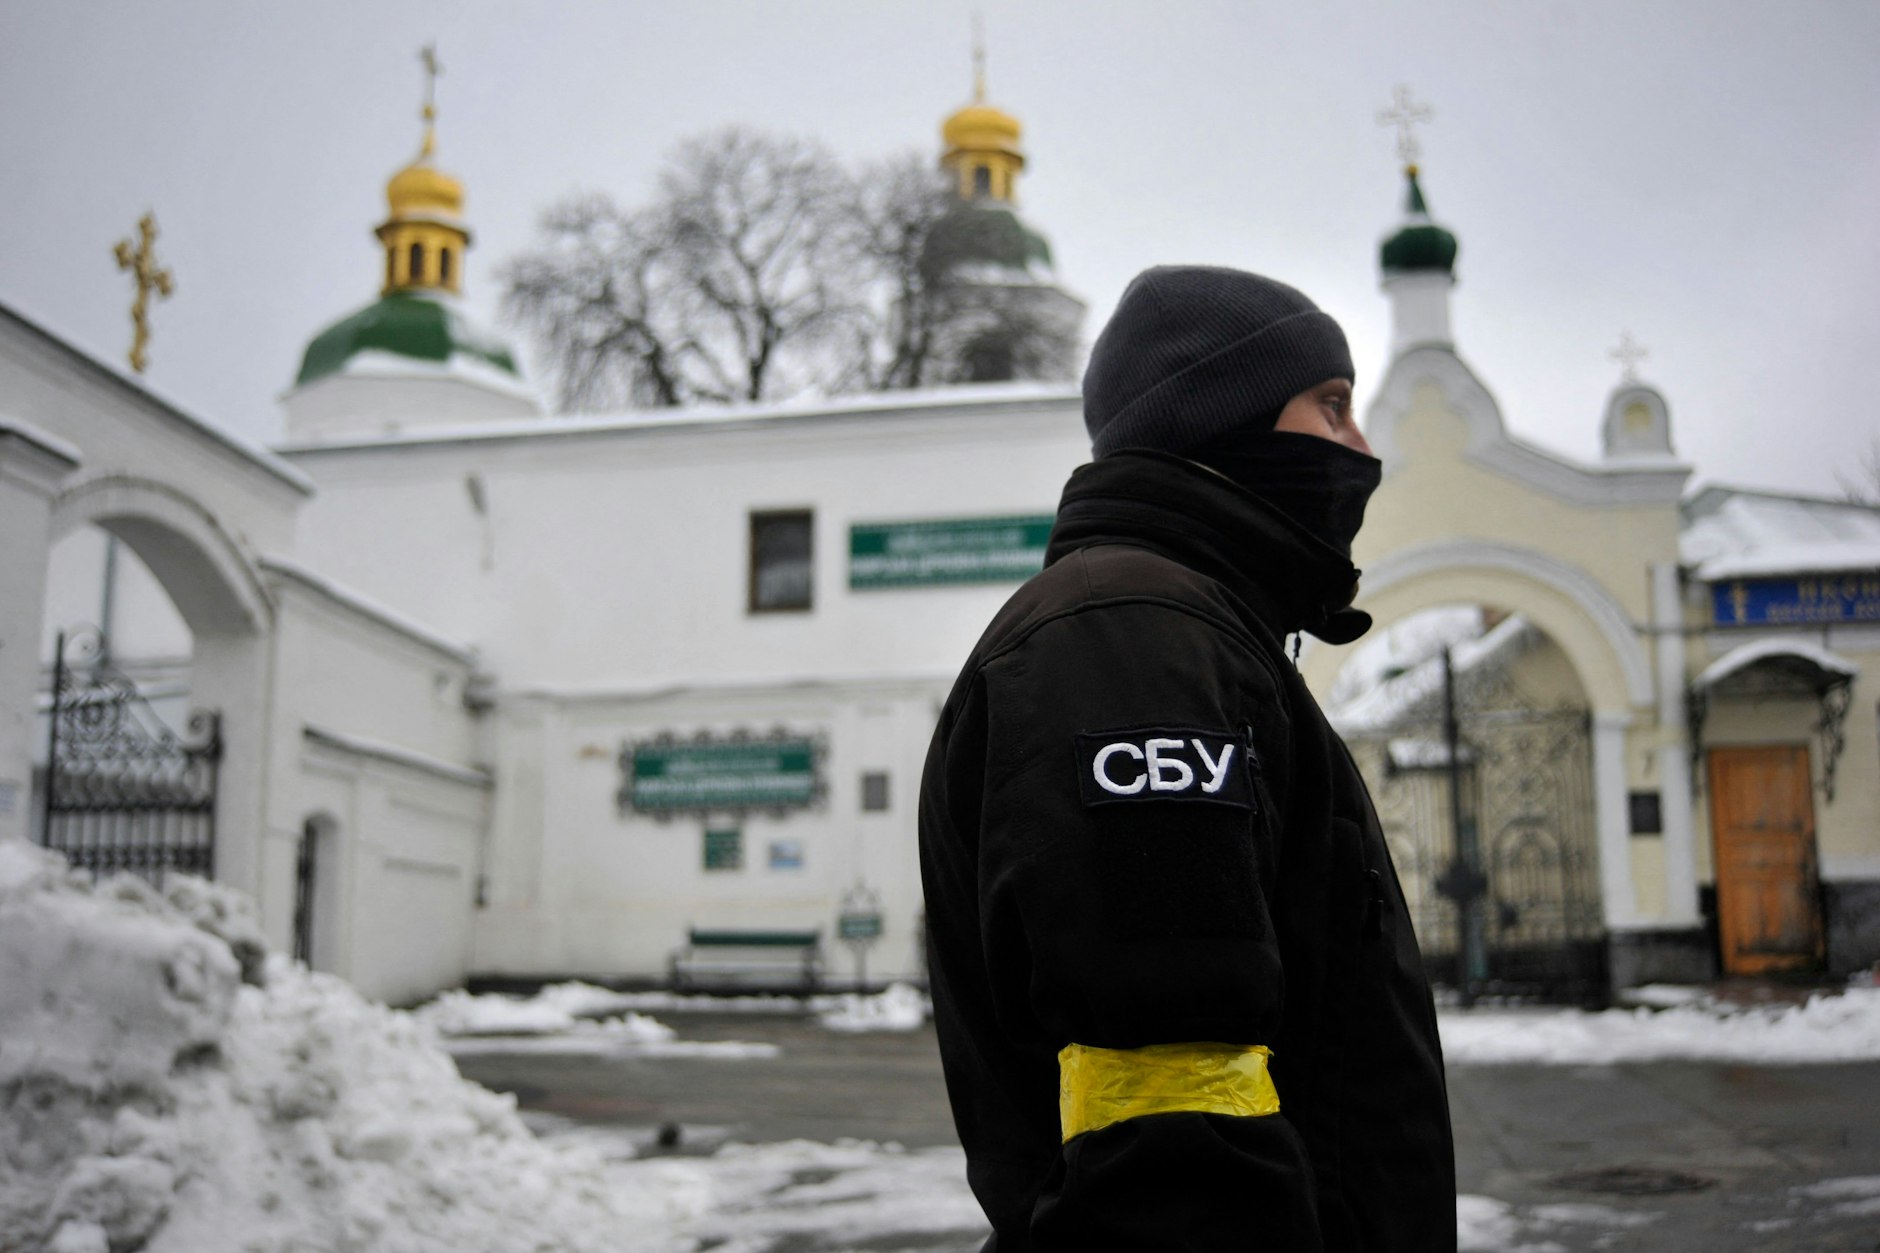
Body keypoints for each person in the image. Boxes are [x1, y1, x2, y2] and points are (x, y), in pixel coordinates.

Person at [917, 265, 1456, 1251]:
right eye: (1331, 405)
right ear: (1221, 411)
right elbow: (1167, 1137)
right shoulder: (1130, 644)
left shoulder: (1187, 633)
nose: (1360, 446)